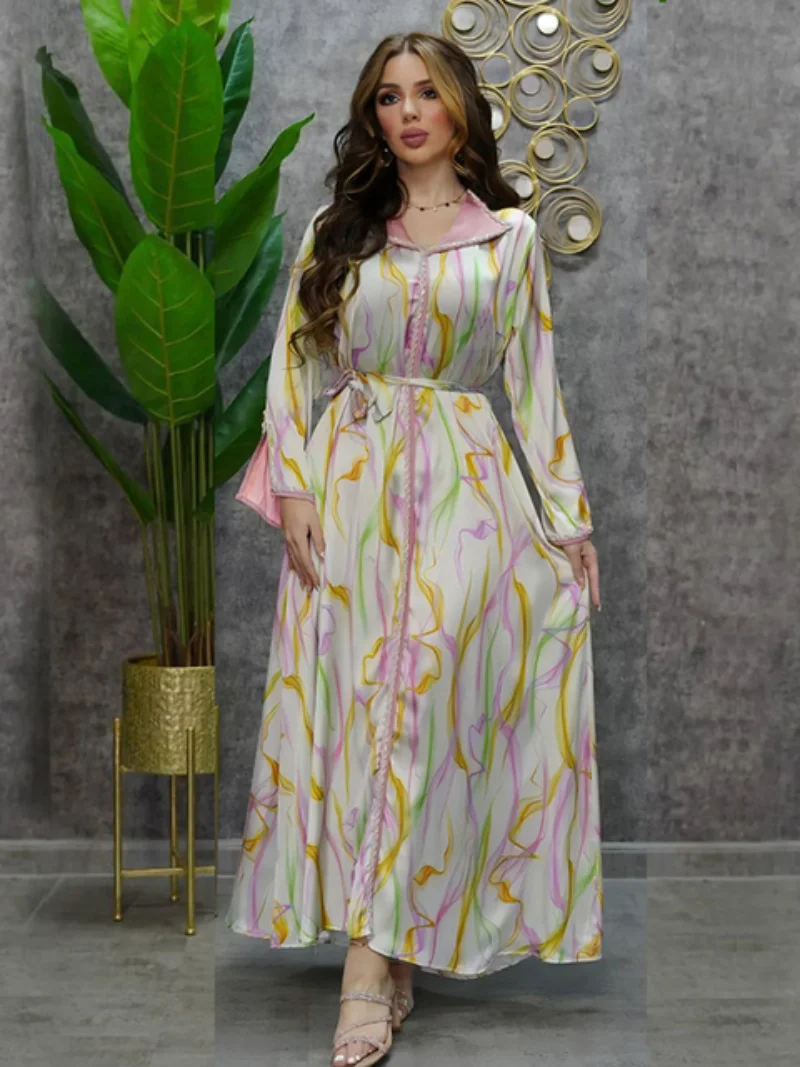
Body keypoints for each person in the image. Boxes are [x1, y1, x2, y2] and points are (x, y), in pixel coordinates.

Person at [227, 30, 603, 1067]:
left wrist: (568, 521)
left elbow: (532, 383)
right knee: (361, 715)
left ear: (458, 107)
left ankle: (366, 969)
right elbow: (293, 365)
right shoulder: (337, 230)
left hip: (466, 496)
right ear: (374, 117)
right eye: (388, 98)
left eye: (425, 93)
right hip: (349, 492)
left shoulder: (509, 239)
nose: (407, 113)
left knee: (425, 710)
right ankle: (385, 952)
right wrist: (293, 486)